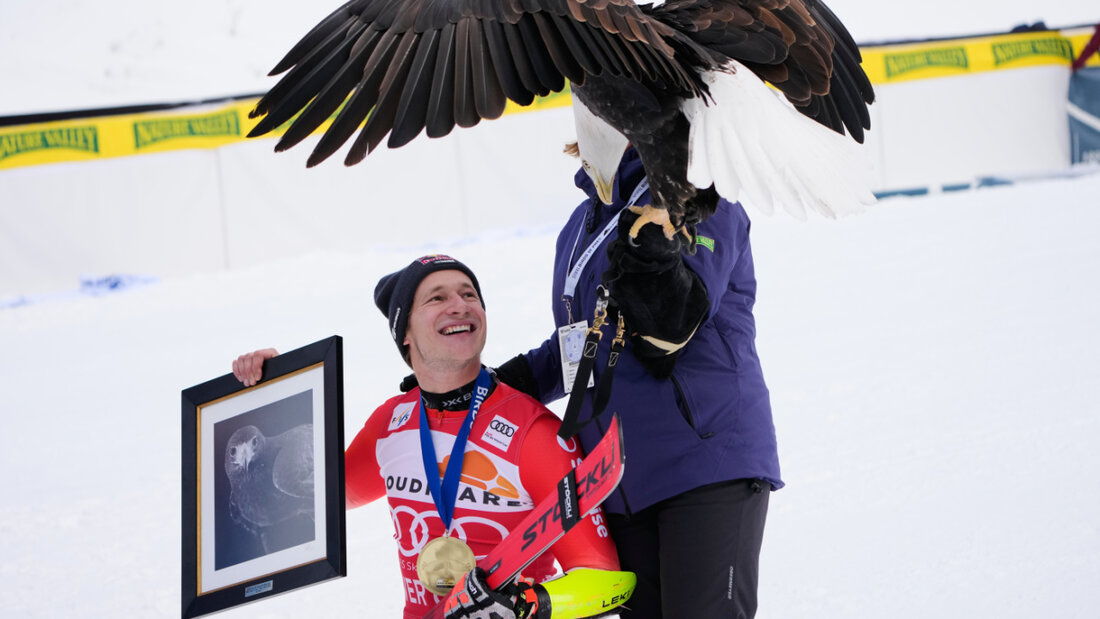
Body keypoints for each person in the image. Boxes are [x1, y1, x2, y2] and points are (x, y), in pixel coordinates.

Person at [232, 254, 632, 619]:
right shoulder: (391, 422)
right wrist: (267, 394)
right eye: (436, 298)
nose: (460, 304)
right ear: (405, 333)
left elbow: (610, 584)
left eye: (469, 294)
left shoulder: (534, 434)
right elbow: (319, 494)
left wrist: (530, 605)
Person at [488, 147, 783, 618]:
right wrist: (489, 390)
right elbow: (582, 344)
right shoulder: (578, 226)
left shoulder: (698, 194)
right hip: (617, 481)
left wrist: (656, 257)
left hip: (703, 463)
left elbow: (674, 325)